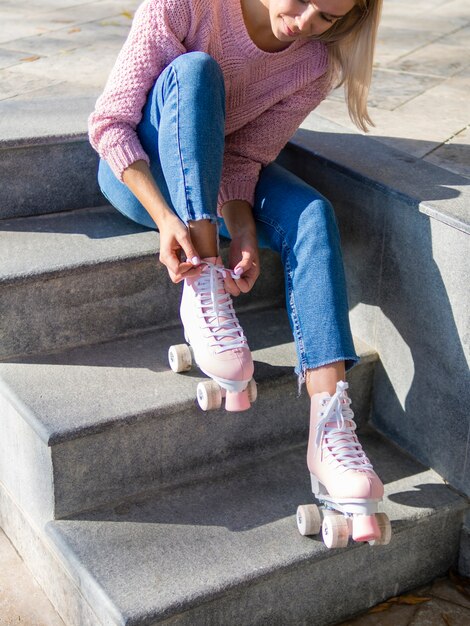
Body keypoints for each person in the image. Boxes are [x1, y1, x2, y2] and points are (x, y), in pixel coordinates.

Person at [89, 0, 388, 544]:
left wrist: (245, 232)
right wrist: (165, 219)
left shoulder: (313, 64)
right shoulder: (186, 5)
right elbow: (110, 123)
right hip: (142, 171)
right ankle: (203, 283)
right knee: (196, 70)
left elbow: (245, 158)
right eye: (303, 2)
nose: (305, 24)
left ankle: (330, 428)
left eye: (327, 18)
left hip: (219, 175)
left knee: (312, 216)